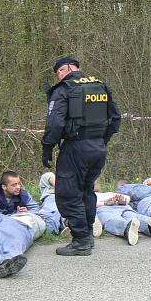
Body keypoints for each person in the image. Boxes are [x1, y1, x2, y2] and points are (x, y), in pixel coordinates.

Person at [41, 56, 121, 256]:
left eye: (58, 72)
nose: (58, 76)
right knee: (86, 190)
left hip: (76, 147)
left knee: (68, 193)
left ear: (65, 69)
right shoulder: (100, 86)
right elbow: (116, 118)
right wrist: (101, 140)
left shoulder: (64, 89)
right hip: (98, 148)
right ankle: (87, 236)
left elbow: (55, 123)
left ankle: (81, 241)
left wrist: (47, 147)